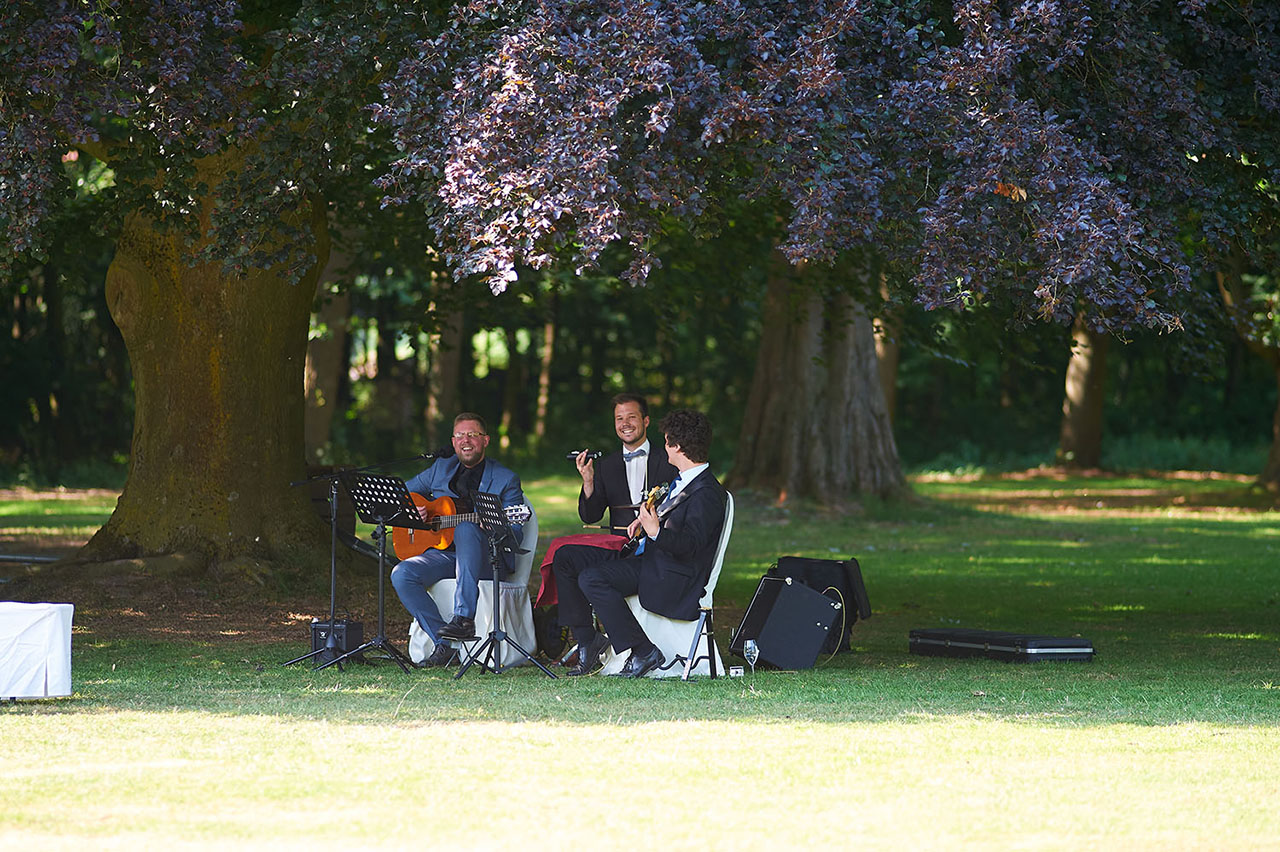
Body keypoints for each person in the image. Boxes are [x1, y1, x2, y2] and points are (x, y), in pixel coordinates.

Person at [552, 409, 727, 678]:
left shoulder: (707, 493)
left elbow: (691, 545)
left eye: (667, 442)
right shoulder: (681, 482)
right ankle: (588, 640)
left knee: (592, 578)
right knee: (565, 556)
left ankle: (643, 650)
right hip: (647, 558)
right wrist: (645, 526)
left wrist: (655, 531)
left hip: (669, 573)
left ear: (677, 446)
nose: (664, 449)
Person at [390, 412, 526, 668]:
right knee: (402, 573)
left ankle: (463, 619)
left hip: (487, 559)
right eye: (460, 435)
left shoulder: (506, 478)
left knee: (465, 528)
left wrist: (496, 526)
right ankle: (444, 645)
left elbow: (516, 531)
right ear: (453, 442)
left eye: (473, 435)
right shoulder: (441, 468)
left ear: (485, 440)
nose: (466, 440)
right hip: (444, 555)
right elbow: (402, 492)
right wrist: (412, 510)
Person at [576, 392, 678, 535]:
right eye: (619, 419)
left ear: (646, 421)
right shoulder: (605, 466)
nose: (625, 424)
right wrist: (588, 482)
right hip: (620, 550)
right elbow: (590, 517)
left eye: (632, 417)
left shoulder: (669, 460)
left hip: (661, 547)